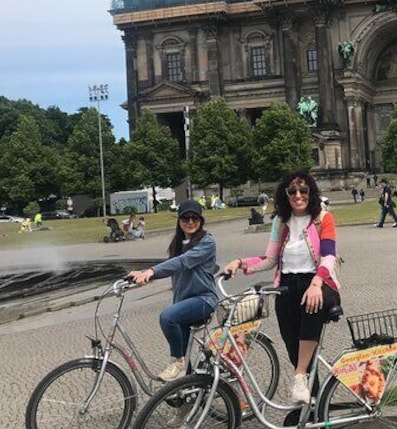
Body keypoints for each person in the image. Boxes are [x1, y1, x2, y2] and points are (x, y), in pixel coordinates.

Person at [223, 170, 341, 405]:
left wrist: (317, 283)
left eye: (303, 190)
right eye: (293, 191)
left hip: (318, 283)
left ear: (311, 192)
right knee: (294, 351)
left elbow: (328, 256)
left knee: (312, 307)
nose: (298, 195)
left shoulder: (323, 218)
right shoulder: (281, 221)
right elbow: (269, 259)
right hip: (286, 286)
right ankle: (314, 405)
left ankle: (299, 378)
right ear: (285, 194)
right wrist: (241, 263)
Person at [128, 199, 218, 382]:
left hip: (204, 300)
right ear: (179, 220)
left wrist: (151, 271)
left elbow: (182, 262)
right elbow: (172, 266)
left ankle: (176, 363)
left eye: (195, 218)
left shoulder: (207, 241)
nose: (190, 221)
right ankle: (191, 394)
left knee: (167, 317)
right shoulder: (177, 244)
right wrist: (142, 276)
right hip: (183, 303)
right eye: (186, 218)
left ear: (201, 221)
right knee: (184, 355)